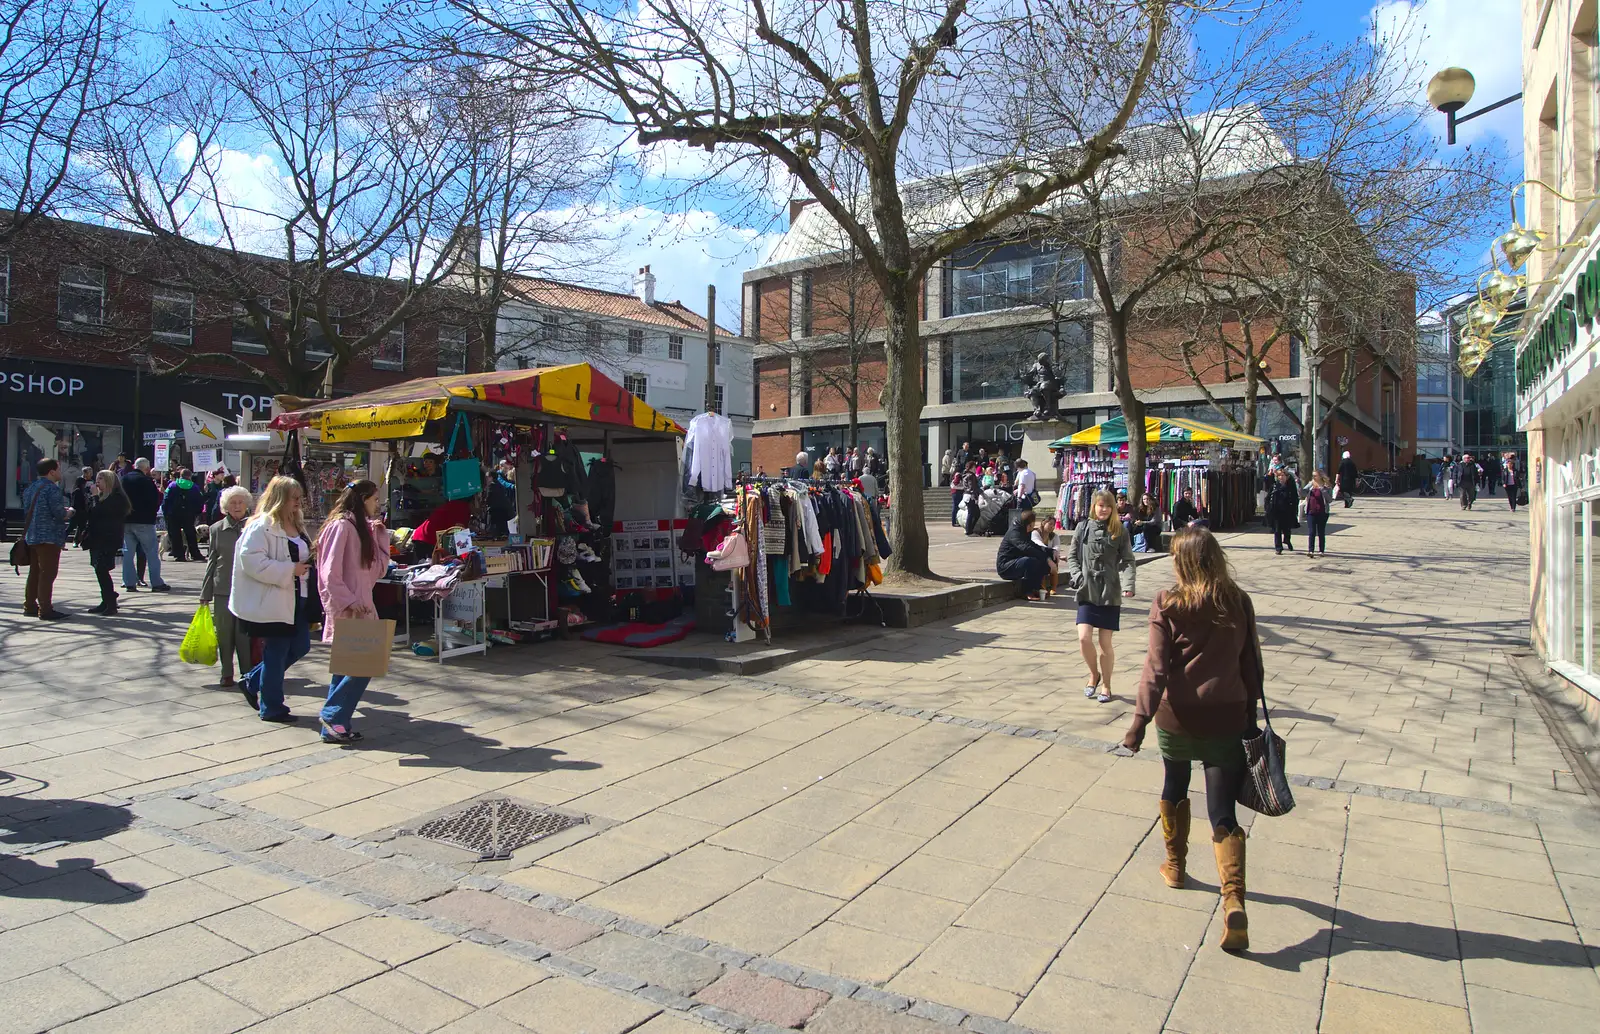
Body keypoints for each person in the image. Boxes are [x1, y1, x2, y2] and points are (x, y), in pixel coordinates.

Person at [1121, 527, 1262, 953]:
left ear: (1181, 563)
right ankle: (1233, 897)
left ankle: (1176, 865)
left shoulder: (1168, 603)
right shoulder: (1237, 601)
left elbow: (1156, 669)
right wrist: (1250, 717)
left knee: (1175, 785)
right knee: (1221, 809)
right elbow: (1252, 666)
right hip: (1226, 717)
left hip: (1177, 719)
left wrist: (1139, 721)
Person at [230, 476, 314, 724]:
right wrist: (290, 569)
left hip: (297, 598)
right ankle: (271, 706)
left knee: (301, 646)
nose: (299, 502)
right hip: (273, 601)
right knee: (276, 654)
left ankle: (252, 681)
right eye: (294, 498)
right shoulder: (261, 526)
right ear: (280, 499)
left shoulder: (295, 523)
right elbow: (252, 562)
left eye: (300, 497)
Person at [316, 480, 388, 744]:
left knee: (348, 666)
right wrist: (347, 599)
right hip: (350, 608)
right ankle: (332, 715)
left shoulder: (361, 529)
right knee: (363, 664)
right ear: (363, 499)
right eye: (374, 500)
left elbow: (378, 570)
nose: (377, 505)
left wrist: (379, 535)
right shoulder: (341, 526)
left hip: (361, 605)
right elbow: (328, 572)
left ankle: (335, 725)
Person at [1068, 489, 1137, 704]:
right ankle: (1093, 674)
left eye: (1108, 506)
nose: (1104, 509)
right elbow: (1072, 555)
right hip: (1087, 590)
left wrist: (1128, 584)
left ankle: (1106, 684)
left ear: (1113, 508)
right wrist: (1078, 576)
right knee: (1083, 638)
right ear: (1094, 506)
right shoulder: (1083, 527)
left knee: (1105, 643)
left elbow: (1127, 560)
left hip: (1109, 592)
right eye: (1100, 505)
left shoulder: (1120, 531)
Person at [199, 486, 254, 687]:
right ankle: (226, 672)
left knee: (244, 635)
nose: (237, 506)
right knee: (224, 634)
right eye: (233, 502)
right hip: (222, 587)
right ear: (225, 506)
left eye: (240, 502)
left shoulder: (254, 526)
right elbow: (211, 561)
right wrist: (205, 593)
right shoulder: (216, 529)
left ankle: (248, 674)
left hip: (248, 588)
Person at [20, 458, 73, 620]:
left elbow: (27, 511)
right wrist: (69, 512)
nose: (60, 472)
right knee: (47, 573)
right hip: (49, 537)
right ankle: (45, 609)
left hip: (32, 536)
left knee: (34, 572)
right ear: (51, 472)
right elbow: (59, 513)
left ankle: (29, 605)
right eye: (58, 469)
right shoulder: (52, 489)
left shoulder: (31, 488)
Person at [120, 458, 171, 593]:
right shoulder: (147, 482)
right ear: (147, 468)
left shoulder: (124, 479)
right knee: (151, 553)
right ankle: (156, 582)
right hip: (144, 521)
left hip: (127, 521)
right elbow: (155, 500)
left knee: (128, 554)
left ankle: (129, 582)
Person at [84, 469, 129, 615]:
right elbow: (92, 514)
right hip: (97, 538)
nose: (97, 482)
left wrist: (96, 498)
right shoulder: (101, 496)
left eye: (101, 479)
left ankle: (110, 602)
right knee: (99, 569)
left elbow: (102, 513)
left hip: (108, 539)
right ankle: (106, 600)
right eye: (96, 479)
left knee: (102, 569)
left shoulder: (117, 498)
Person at [997, 508, 1054, 601]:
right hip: (1005, 567)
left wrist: (1050, 553)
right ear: (1030, 524)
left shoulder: (1024, 530)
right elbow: (1026, 548)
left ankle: (1036, 588)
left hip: (1017, 562)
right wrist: (1046, 558)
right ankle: (1026, 592)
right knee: (1030, 561)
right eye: (1033, 523)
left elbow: (1032, 545)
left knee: (1043, 558)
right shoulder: (1015, 532)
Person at [162, 468, 204, 562]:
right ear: (190, 476)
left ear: (180, 475)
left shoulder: (172, 485)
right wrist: (197, 512)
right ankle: (195, 554)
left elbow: (166, 498)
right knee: (190, 533)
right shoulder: (194, 487)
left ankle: (179, 554)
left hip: (173, 514)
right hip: (188, 514)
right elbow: (200, 501)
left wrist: (166, 512)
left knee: (175, 534)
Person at [1264, 467, 1300, 555]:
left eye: (1282, 475)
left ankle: (1287, 540)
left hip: (1287, 511)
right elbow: (1268, 498)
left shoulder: (1290, 486)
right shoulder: (1274, 486)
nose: (1281, 477)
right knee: (1277, 530)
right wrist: (1268, 507)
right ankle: (1278, 548)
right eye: (1279, 475)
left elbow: (1295, 499)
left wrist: (1294, 509)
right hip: (1276, 511)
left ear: (1287, 476)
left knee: (1287, 529)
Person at [1304, 470, 1332, 557]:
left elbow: (1329, 500)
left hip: (1322, 512)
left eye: (1315, 476)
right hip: (1311, 511)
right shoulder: (1310, 484)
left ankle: (1321, 550)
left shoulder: (1327, 486)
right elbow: (1302, 493)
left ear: (1320, 476)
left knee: (1321, 532)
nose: (1314, 478)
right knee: (1311, 531)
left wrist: (1322, 489)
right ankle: (1310, 550)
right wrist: (1304, 488)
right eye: (1313, 476)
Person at [1032, 515, 1061, 598]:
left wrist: (1055, 551)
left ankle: (1053, 587)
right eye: (1050, 524)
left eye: (1053, 525)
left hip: (1050, 557)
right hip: (1039, 556)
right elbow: (1038, 544)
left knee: (1055, 558)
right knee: (1041, 563)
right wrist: (1051, 551)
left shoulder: (1054, 536)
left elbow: (1057, 546)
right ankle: (1042, 586)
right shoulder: (1036, 533)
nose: (1052, 527)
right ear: (1043, 523)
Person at [67, 475, 93, 547]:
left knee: (81, 528)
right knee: (71, 527)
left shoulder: (82, 491)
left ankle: (78, 541)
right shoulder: (77, 491)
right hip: (77, 512)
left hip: (82, 513)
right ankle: (62, 540)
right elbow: (75, 503)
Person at [960, 462, 982, 535]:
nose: (975, 469)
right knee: (973, 513)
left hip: (966, 496)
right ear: (972, 467)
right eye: (975, 467)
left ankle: (969, 529)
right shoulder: (971, 476)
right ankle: (969, 531)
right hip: (971, 496)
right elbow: (972, 487)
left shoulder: (965, 475)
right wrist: (979, 492)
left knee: (973, 513)